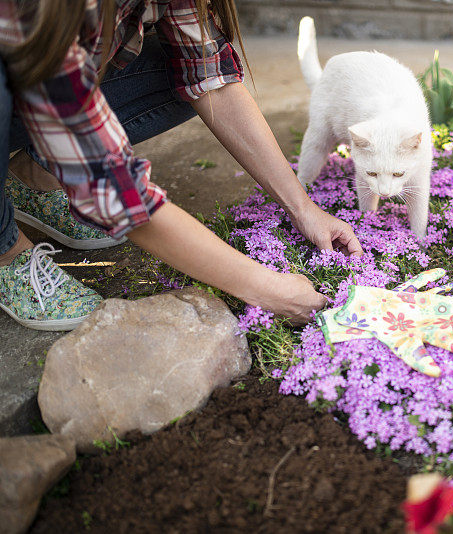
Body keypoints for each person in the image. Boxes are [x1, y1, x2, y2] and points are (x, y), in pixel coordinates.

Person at [0, 0, 362, 331]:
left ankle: (34, 179)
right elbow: (114, 190)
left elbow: (211, 77)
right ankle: (5, 250)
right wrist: (267, 289)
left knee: (177, 66)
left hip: (46, 73)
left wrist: (304, 209)